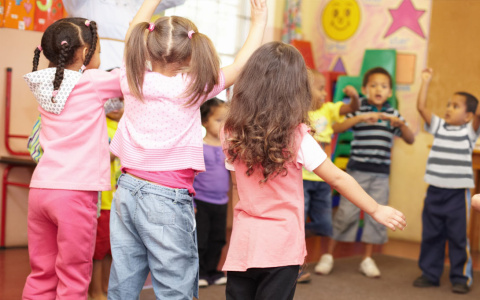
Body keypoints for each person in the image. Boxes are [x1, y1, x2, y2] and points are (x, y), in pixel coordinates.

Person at [221, 42, 407, 300]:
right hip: (281, 247)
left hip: (244, 243)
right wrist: (375, 209)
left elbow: (235, 187)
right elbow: (338, 178)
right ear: (297, 90)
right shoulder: (297, 137)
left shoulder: (230, 131)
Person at [107, 0, 267, 299]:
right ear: (192, 53)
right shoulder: (193, 86)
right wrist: (259, 21)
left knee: (124, 279)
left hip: (126, 191)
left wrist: (151, 1)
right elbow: (240, 65)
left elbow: (131, 34)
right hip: (166, 197)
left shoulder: (131, 78)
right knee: (175, 285)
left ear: (147, 47)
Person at [22, 18, 123, 300]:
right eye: (99, 51)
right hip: (75, 193)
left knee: (41, 271)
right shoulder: (90, 81)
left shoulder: (42, 82)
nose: (101, 59)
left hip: (41, 189)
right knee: (74, 272)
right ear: (84, 53)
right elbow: (131, 79)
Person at [320, 67, 415, 278]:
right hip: (356, 172)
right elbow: (337, 128)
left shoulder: (392, 113)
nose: (378, 89)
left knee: (376, 217)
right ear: (365, 89)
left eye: (383, 86)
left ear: (389, 92)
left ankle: (367, 258)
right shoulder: (358, 107)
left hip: (381, 175)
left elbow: (410, 139)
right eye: (373, 85)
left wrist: (401, 124)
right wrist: (361, 118)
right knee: (345, 214)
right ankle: (328, 255)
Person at [413, 68, 479, 294]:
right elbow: (421, 107)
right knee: (431, 234)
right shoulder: (439, 126)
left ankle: (461, 276)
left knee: (458, 236)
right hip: (434, 191)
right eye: (448, 104)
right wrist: (426, 81)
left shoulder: (470, 132)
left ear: (469, 115)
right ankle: (430, 274)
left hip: (457, 194)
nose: (449, 108)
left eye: (455, 106)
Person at [298, 70, 360, 283]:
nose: (325, 93)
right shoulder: (298, 113)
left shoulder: (329, 109)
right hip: (301, 180)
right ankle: (294, 266)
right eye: (321, 88)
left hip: (322, 180)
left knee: (324, 224)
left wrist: (354, 96)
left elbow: (352, 108)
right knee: (297, 221)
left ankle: (294, 236)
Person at [89, 98, 124, 300]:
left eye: (120, 101)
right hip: (103, 201)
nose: (116, 106)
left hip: (121, 200)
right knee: (98, 251)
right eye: (111, 101)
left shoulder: (125, 125)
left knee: (115, 250)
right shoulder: (98, 125)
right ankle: (96, 292)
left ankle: (108, 289)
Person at [193, 98, 229, 288]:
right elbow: (190, 177)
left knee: (218, 239)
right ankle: (200, 273)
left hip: (221, 202)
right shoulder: (199, 146)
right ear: (205, 121)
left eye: (226, 120)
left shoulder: (228, 148)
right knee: (201, 240)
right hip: (202, 202)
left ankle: (214, 271)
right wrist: (192, 203)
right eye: (218, 120)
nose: (223, 125)